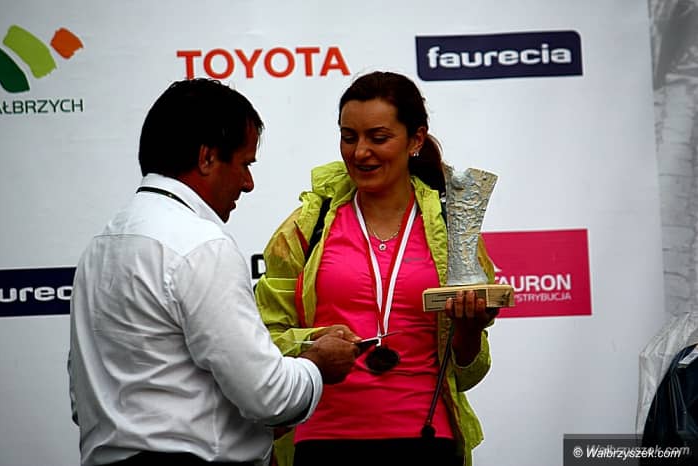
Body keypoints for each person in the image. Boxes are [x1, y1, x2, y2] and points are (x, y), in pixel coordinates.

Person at [68, 78, 359, 466]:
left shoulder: (101, 245)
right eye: (245, 164)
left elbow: (83, 396)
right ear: (206, 158)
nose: (248, 183)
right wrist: (318, 364)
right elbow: (268, 396)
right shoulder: (201, 245)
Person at [255, 71, 497, 466]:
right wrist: (314, 343)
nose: (360, 152)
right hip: (323, 439)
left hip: (426, 437)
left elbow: (467, 373)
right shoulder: (307, 226)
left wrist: (469, 330)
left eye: (378, 138)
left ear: (415, 140)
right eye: (349, 137)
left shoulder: (454, 230)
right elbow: (266, 340)